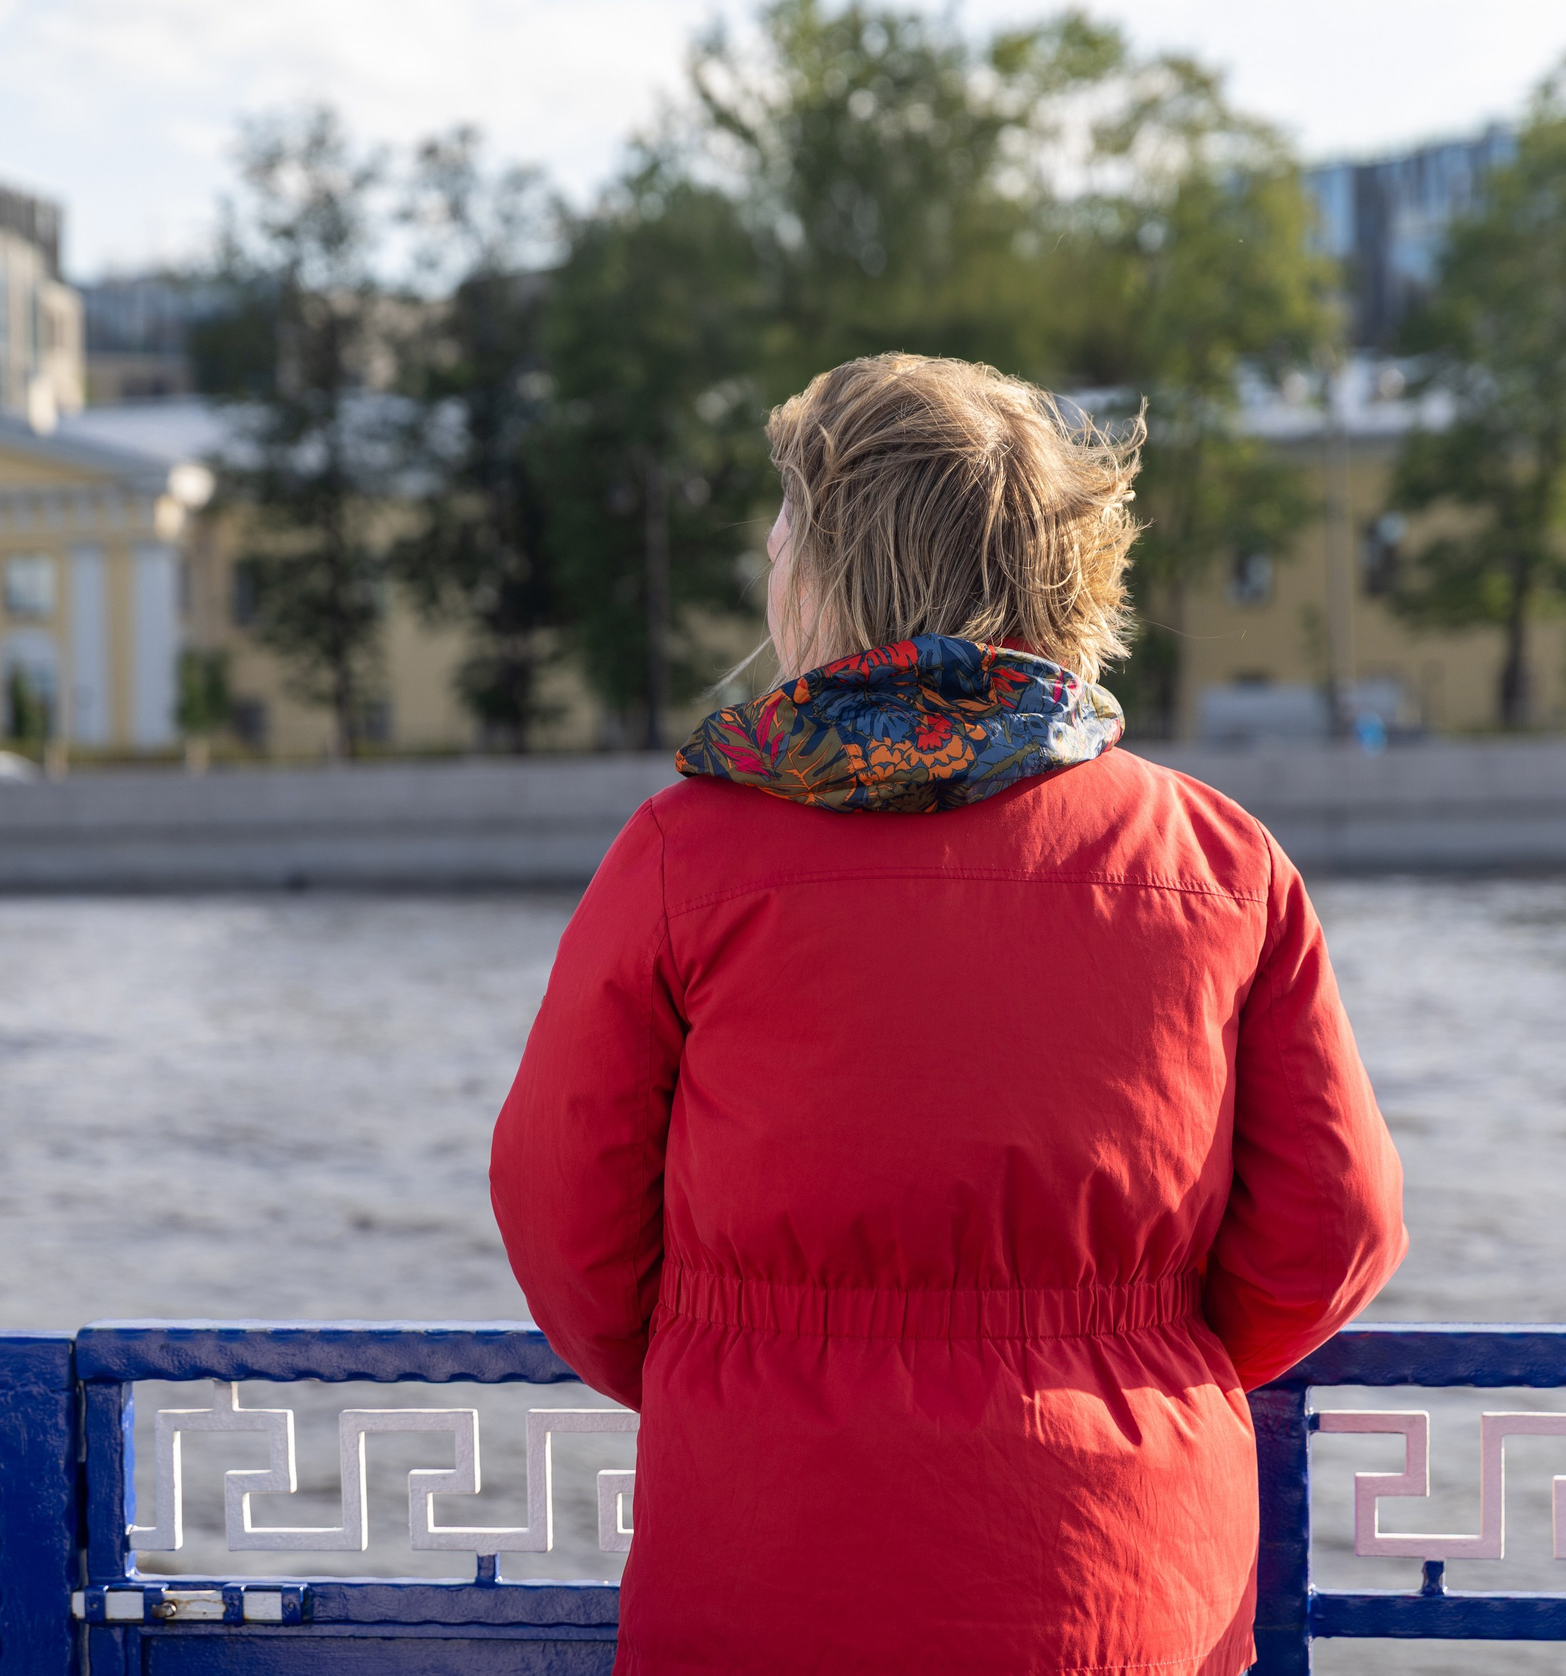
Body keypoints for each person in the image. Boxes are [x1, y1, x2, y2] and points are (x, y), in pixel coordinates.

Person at [489, 354, 1405, 1674]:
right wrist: (1128, 1346)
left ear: (831, 578)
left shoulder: (686, 857)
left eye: (784, 533)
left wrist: (735, 1357)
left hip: (769, 1560)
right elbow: (1336, 1230)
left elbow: (563, 1217)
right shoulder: (1219, 860)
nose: (766, 560)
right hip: (1122, 1577)